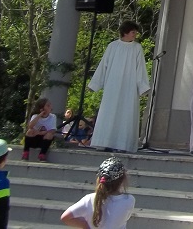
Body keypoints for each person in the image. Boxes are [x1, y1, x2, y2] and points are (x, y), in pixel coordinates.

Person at [88, 21, 150, 153]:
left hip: (129, 87)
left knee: (126, 113)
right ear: (125, 32)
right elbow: (104, 65)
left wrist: (143, 87)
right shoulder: (113, 46)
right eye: (133, 32)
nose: (135, 34)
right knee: (109, 112)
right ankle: (104, 142)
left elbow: (140, 68)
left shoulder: (137, 48)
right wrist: (95, 84)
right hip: (113, 85)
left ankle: (123, 145)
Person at [61, 157, 135, 229]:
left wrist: (85, 225)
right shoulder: (129, 200)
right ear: (122, 180)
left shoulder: (89, 199)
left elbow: (65, 217)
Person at [23, 97, 57, 162]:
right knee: (29, 131)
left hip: (44, 139)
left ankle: (42, 154)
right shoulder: (35, 116)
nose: (50, 107)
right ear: (42, 108)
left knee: (49, 135)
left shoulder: (53, 117)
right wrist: (39, 115)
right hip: (34, 139)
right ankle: (25, 153)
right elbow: (30, 126)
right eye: (48, 106)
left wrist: (40, 133)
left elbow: (53, 130)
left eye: (50, 105)